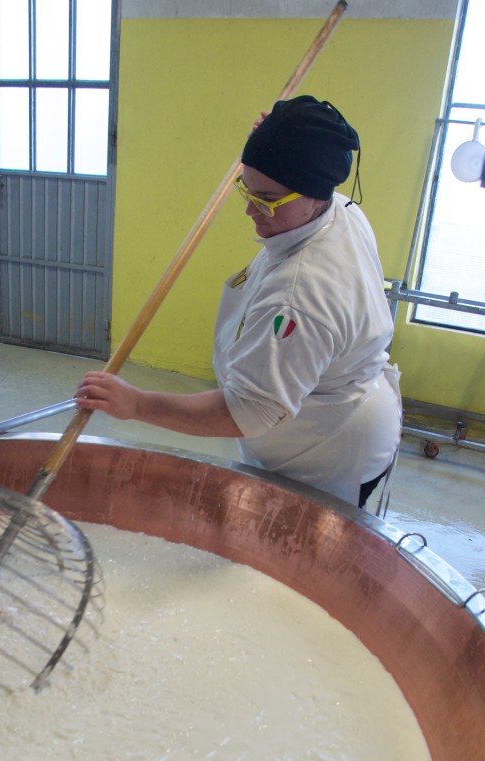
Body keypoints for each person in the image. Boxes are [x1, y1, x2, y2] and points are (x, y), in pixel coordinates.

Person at [75, 95, 401, 509]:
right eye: (246, 188)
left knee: (299, 542)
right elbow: (306, 152)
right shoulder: (339, 207)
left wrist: (137, 403)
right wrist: (278, 135)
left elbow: (245, 413)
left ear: (316, 195)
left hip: (324, 449)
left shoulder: (300, 295)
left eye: (267, 199)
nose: (250, 209)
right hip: (338, 409)